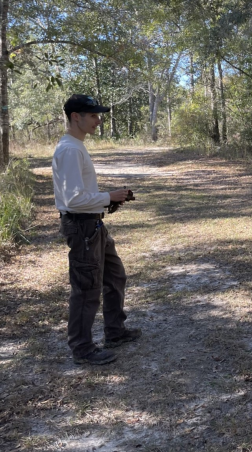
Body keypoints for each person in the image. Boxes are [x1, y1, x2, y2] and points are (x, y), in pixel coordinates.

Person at [52, 94, 141, 365]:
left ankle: (115, 331)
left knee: (115, 276)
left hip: (93, 225)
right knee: (86, 288)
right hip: (82, 227)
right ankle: (82, 348)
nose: (98, 121)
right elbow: (73, 199)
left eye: (98, 115)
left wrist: (108, 199)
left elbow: (80, 194)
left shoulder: (76, 145)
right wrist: (108, 196)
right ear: (75, 117)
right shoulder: (70, 149)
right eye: (93, 115)